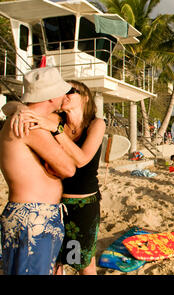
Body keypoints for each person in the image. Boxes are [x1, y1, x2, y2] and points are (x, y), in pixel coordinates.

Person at [8, 79, 106, 275]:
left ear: (85, 97)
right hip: (55, 207)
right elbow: (7, 106)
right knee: (55, 262)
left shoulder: (96, 123)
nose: (66, 94)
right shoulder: (56, 118)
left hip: (83, 206)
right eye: (63, 90)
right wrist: (20, 108)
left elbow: (82, 159)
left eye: (71, 90)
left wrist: (56, 131)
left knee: (81, 262)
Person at [0, 67, 77, 275]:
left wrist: (17, 107)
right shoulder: (30, 124)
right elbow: (68, 168)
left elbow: (9, 107)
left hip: (35, 216)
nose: (65, 96)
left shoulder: (23, 118)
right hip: (33, 218)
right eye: (62, 92)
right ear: (51, 97)